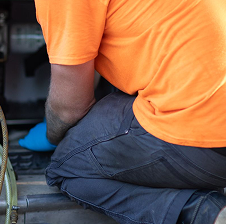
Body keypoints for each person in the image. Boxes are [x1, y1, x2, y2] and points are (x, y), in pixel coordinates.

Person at [19, 0, 226, 223]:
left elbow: (71, 108)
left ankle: (204, 214)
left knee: (67, 167)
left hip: (205, 137)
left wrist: (52, 134)